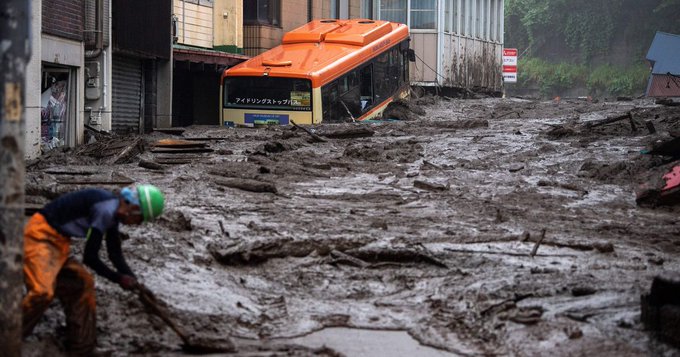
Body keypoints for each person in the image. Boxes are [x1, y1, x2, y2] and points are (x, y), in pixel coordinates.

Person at [22, 184, 165, 355]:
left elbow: (115, 253)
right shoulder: (105, 210)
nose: (136, 224)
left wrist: (133, 280)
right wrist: (119, 278)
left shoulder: (112, 210)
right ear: (133, 209)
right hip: (39, 237)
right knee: (42, 292)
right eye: (140, 219)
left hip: (58, 243)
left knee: (82, 284)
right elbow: (90, 258)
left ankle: (82, 348)